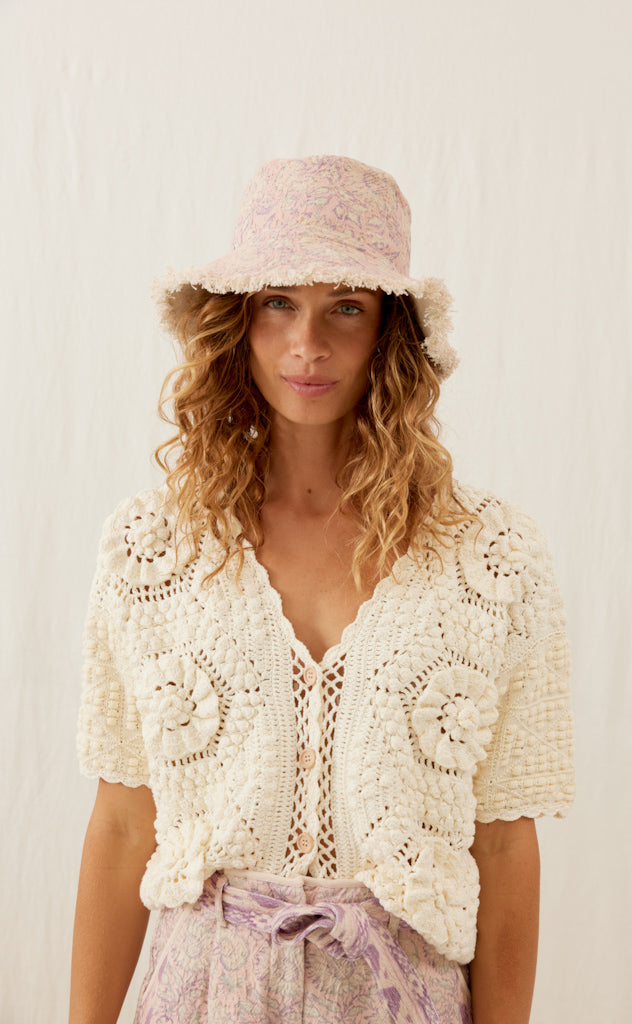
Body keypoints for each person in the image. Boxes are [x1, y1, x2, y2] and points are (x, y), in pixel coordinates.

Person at [69, 155, 575, 1024]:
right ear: (237, 324)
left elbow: (502, 844)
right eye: (278, 303)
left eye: (345, 306)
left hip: (399, 997)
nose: (308, 344)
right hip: (200, 995)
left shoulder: (489, 556)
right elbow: (121, 825)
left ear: (389, 332)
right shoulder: (151, 550)